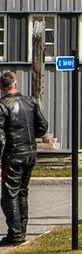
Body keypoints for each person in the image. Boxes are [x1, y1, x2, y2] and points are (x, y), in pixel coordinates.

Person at [0, 71, 49, 245]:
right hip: (30, 153)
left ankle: (15, 233)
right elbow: (43, 126)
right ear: (16, 85)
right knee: (22, 191)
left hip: (13, 154)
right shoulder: (31, 101)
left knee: (9, 194)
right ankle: (21, 229)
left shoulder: (2, 106)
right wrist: (30, 136)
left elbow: (0, 138)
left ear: (2, 87)